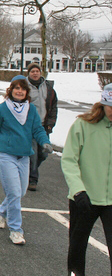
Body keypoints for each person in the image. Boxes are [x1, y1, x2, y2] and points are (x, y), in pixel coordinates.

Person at [0, 75, 53, 245]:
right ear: (11, 90)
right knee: (14, 193)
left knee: (20, 192)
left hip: (24, 156)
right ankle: (16, 230)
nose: (19, 91)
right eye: (16, 88)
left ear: (26, 92)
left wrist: (45, 142)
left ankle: (2, 210)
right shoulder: (2, 109)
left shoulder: (31, 110)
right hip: (6, 155)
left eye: (22, 88)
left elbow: (37, 129)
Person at [61, 84, 112, 276]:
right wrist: (78, 190)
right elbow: (69, 160)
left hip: (111, 201)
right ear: (103, 103)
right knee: (77, 246)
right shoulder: (83, 125)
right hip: (84, 197)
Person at [25, 63, 58, 191]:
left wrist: (51, 123)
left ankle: (29, 169)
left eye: (37, 71)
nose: (35, 73)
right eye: (32, 71)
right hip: (30, 126)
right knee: (33, 153)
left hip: (44, 126)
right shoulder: (25, 87)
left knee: (43, 153)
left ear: (40, 72)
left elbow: (53, 106)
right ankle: (32, 179)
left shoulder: (49, 88)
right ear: (29, 73)